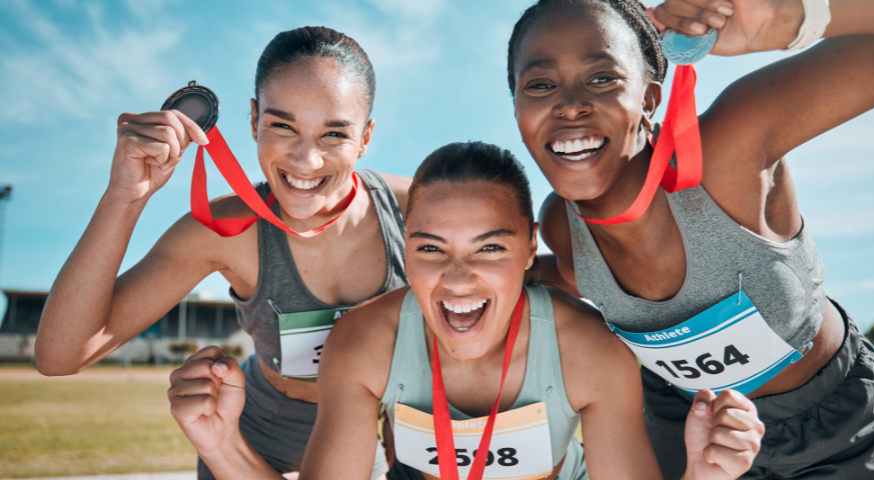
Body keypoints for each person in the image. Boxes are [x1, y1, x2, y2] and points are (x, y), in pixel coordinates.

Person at [506, 0, 874, 478]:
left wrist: (793, 18)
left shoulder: (728, 150)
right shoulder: (560, 226)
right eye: (540, 84)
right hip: (683, 420)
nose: (570, 106)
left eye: (603, 78)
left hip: (825, 429)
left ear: (650, 98)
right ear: (516, 110)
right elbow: (557, 275)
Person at [166, 141, 765, 480]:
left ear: (531, 247)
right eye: (431, 249)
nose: (458, 278)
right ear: (407, 247)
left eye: (490, 248)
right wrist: (222, 447)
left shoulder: (588, 350)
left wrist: (703, 479)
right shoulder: (364, 341)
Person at [35, 26, 408, 480]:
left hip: (360, 426)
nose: (306, 161)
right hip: (254, 425)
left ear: (365, 137)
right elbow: (59, 356)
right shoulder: (225, 230)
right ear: (253, 121)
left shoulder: (418, 211)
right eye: (282, 126)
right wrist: (124, 196)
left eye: (334, 134)